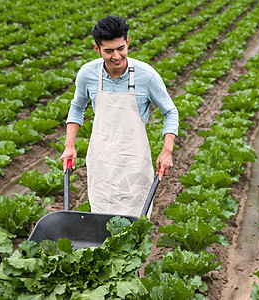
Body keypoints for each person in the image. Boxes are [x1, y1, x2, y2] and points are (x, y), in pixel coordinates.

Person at [60, 15, 178, 217]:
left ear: (128, 42)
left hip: (133, 160)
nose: (116, 56)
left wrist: (167, 150)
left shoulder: (146, 76)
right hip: (101, 159)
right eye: (108, 51)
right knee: (101, 218)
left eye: (121, 48)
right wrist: (69, 145)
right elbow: (77, 108)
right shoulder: (87, 74)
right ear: (97, 49)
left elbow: (170, 111)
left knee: (134, 221)